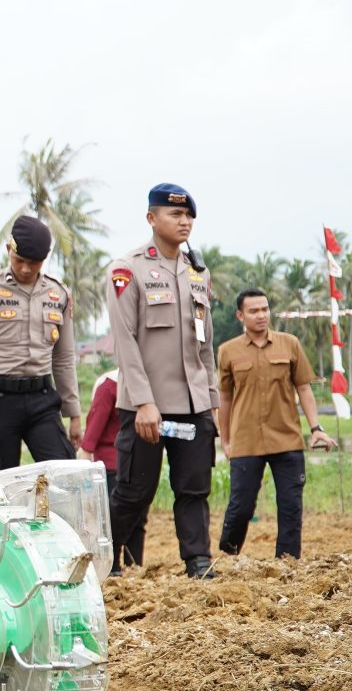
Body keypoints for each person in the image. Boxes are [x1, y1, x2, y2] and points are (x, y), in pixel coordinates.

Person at [106, 183, 219, 579]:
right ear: (152, 218)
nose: (184, 221)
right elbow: (126, 341)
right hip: (146, 407)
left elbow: (205, 345)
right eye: (175, 214)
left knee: (194, 487)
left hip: (192, 405)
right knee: (134, 491)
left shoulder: (198, 273)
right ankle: (104, 559)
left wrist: (212, 403)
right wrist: (143, 402)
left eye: (188, 215)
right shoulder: (127, 270)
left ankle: (198, 561)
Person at [217, 289, 336, 559]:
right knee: (241, 506)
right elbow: (225, 398)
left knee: (290, 505)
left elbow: (303, 388)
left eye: (265, 309)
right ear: (240, 316)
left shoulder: (290, 344)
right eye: (254, 311)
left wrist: (316, 428)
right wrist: (226, 440)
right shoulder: (227, 351)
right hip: (246, 441)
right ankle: (228, 555)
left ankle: (287, 562)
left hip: (287, 439)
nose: (261, 315)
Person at [0, 215, 81, 470]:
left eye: (33, 263)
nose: (24, 269)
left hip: (42, 398)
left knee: (64, 472)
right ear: (8, 250)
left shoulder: (59, 294)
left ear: (44, 259)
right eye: (19, 260)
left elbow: (64, 359)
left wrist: (75, 415)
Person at [80, 368, 144, 569]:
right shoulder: (111, 385)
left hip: (128, 461)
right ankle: (124, 565)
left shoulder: (114, 384)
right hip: (116, 463)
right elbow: (96, 422)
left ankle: (124, 565)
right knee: (128, 516)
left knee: (124, 516)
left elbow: (94, 423)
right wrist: (86, 454)